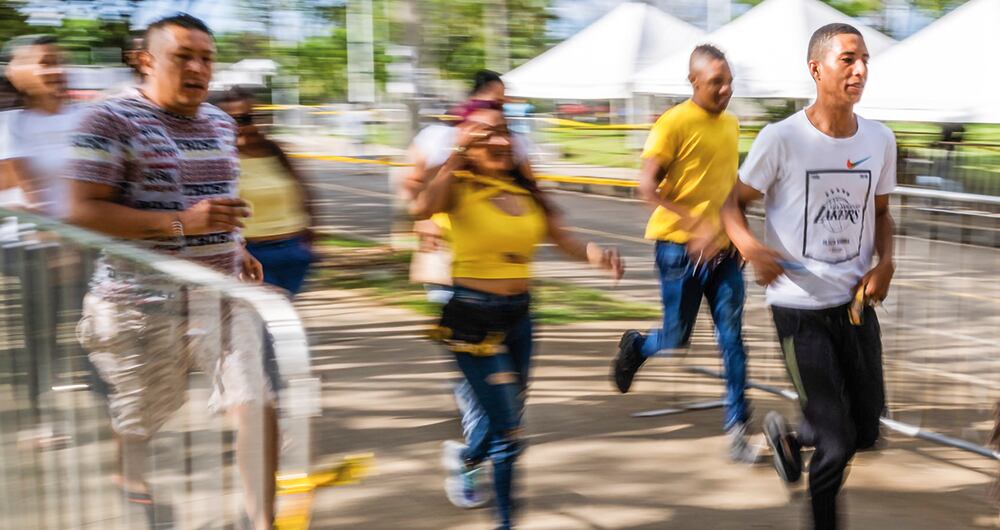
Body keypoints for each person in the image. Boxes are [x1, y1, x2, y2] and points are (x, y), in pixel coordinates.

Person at [65, 14, 277, 530]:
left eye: (206, 58)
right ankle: (131, 488)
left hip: (218, 296)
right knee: (141, 419)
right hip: (139, 303)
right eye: (184, 56)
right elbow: (81, 210)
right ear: (146, 60)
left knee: (256, 402)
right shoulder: (107, 120)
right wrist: (182, 223)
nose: (199, 68)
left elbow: (214, 203)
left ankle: (261, 521)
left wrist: (236, 246)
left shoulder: (221, 122)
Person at [410, 106, 623, 530]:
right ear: (468, 142)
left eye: (504, 132)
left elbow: (561, 239)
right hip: (472, 318)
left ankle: (468, 457)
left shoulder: (526, 192)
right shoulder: (459, 185)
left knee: (508, 416)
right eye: (486, 134)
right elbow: (421, 207)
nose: (500, 141)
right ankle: (506, 521)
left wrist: (597, 256)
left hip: (519, 316)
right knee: (510, 432)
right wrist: (455, 155)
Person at [720, 23, 896, 530]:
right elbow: (732, 203)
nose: (860, 69)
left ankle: (791, 438)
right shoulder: (782, 138)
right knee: (837, 446)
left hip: (856, 307)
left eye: (864, 59)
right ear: (816, 69)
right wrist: (751, 247)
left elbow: (882, 213)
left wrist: (885, 263)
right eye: (848, 59)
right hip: (799, 309)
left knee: (864, 432)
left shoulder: (880, 139)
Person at [610, 45, 756, 463]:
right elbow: (646, 187)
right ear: (693, 82)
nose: (726, 89)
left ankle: (738, 428)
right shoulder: (672, 123)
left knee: (733, 339)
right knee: (676, 337)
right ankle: (637, 346)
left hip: (724, 252)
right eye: (716, 82)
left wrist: (738, 235)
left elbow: (731, 189)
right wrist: (695, 226)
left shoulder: (731, 124)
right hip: (678, 250)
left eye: (729, 81)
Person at [400, 70, 532, 509]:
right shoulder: (438, 137)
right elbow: (411, 187)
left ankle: (471, 454)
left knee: (506, 396)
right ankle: (475, 464)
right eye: (494, 103)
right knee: (477, 390)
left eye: (504, 107)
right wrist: (423, 221)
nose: (500, 115)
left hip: (501, 275)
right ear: (474, 102)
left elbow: (531, 189)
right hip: (449, 271)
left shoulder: (511, 141)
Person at [212, 86, 316, 297]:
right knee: (264, 324)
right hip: (251, 255)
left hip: (292, 252)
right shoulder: (218, 159)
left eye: (247, 118)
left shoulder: (275, 151)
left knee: (280, 321)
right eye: (233, 120)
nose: (242, 127)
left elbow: (304, 194)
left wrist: (308, 243)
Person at [0, 34, 83, 218]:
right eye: (46, 63)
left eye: (61, 62)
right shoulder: (11, 124)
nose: (59, 70)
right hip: (40, 237)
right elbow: (31, 192)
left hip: (88, 234)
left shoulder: (87, 116)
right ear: (17, 72)